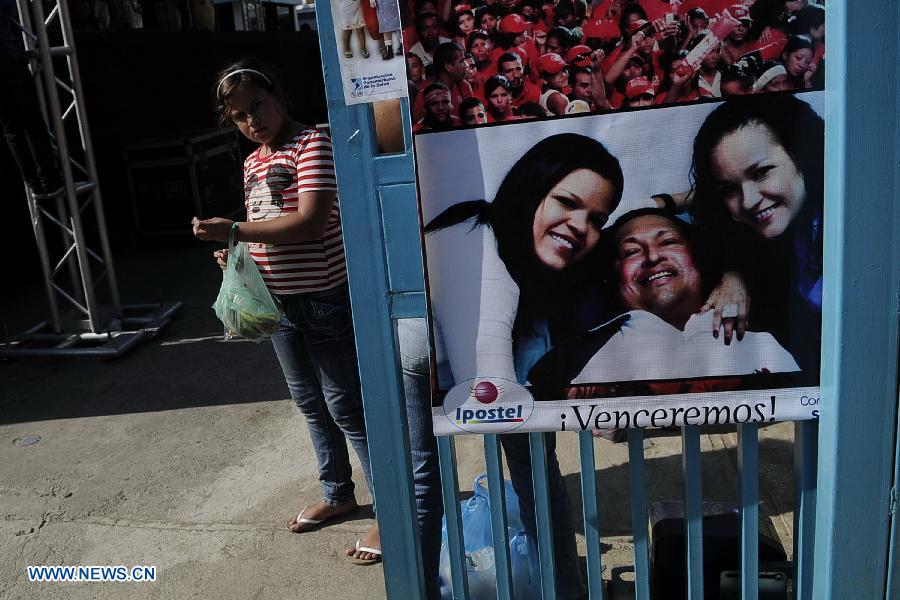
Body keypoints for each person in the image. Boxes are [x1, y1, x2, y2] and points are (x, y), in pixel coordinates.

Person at [191, 59, 381, 565]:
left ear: (278, 96)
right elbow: (265, 225)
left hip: (321, 299)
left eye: (257, 106)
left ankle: (390, 511)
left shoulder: (313, 143)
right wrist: (235, 253)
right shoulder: (254, 160)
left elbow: (311, 222)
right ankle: (338, 492)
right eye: (239, 116)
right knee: (309, 403)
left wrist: (232, 231)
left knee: (347, 407)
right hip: (277, 301)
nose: (252, 120)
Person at [424, 133, 627, 599]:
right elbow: (491, 372)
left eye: (596, 218)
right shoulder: (474, 231)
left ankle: (564, 586)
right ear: (533, 189)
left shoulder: (538, 268)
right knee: (437, 480)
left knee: (538, 472)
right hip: (428, 389)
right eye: (566, 202)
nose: (580, 226)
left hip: (481, 394)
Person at [528, 208, 800, 386]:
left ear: (697, 257)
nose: (653, 256)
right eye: (631, 251)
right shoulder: (566, 364)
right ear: (614, 276)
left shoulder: (767, 340)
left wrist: (734, 275)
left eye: (668, 241)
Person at [690, 94, 824, 376]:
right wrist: (734, 277)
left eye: (762, 172)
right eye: (728, 188)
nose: (748, 200)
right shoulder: (787, 231)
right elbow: (707, 210)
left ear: (802, 153)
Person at [0, 0, 61, 196]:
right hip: (8, 62)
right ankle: (49, 180)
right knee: (32, 122)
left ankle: (34, 183)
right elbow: (10, 8)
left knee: (13, 129)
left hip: (7, 62)